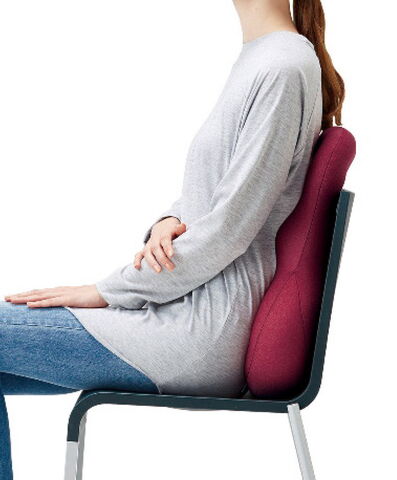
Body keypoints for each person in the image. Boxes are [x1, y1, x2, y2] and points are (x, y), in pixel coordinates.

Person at [0, 0, 344, 477]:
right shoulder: (263, 55)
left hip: (199, 329)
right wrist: (169, 219)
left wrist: (106, 291)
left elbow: (229, 230)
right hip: (182, 308)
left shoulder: (283, 65)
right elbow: (217, 193)